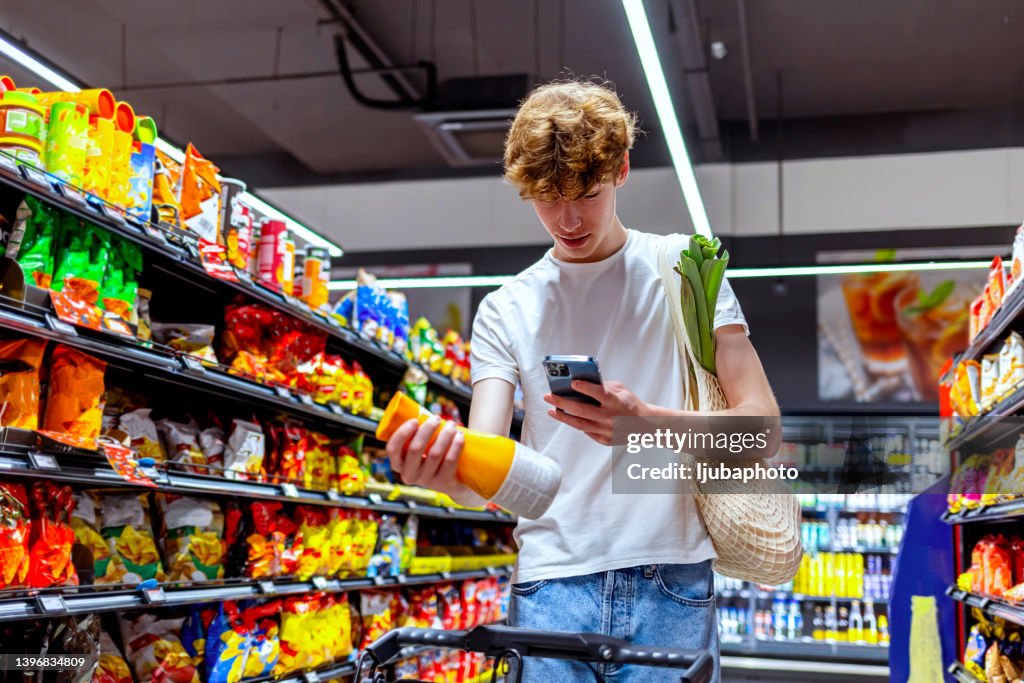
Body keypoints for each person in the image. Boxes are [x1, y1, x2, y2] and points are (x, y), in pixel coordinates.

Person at [384, 79, 779, 683]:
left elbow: (761, 436)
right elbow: (482, 475)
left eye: (586, 194)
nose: (568, 220)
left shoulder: (685, 269)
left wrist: (646, 425)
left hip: (670, 580)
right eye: (546, 198)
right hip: (549, 585)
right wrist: (443, 470)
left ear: (622, 169)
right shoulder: (506, 308)